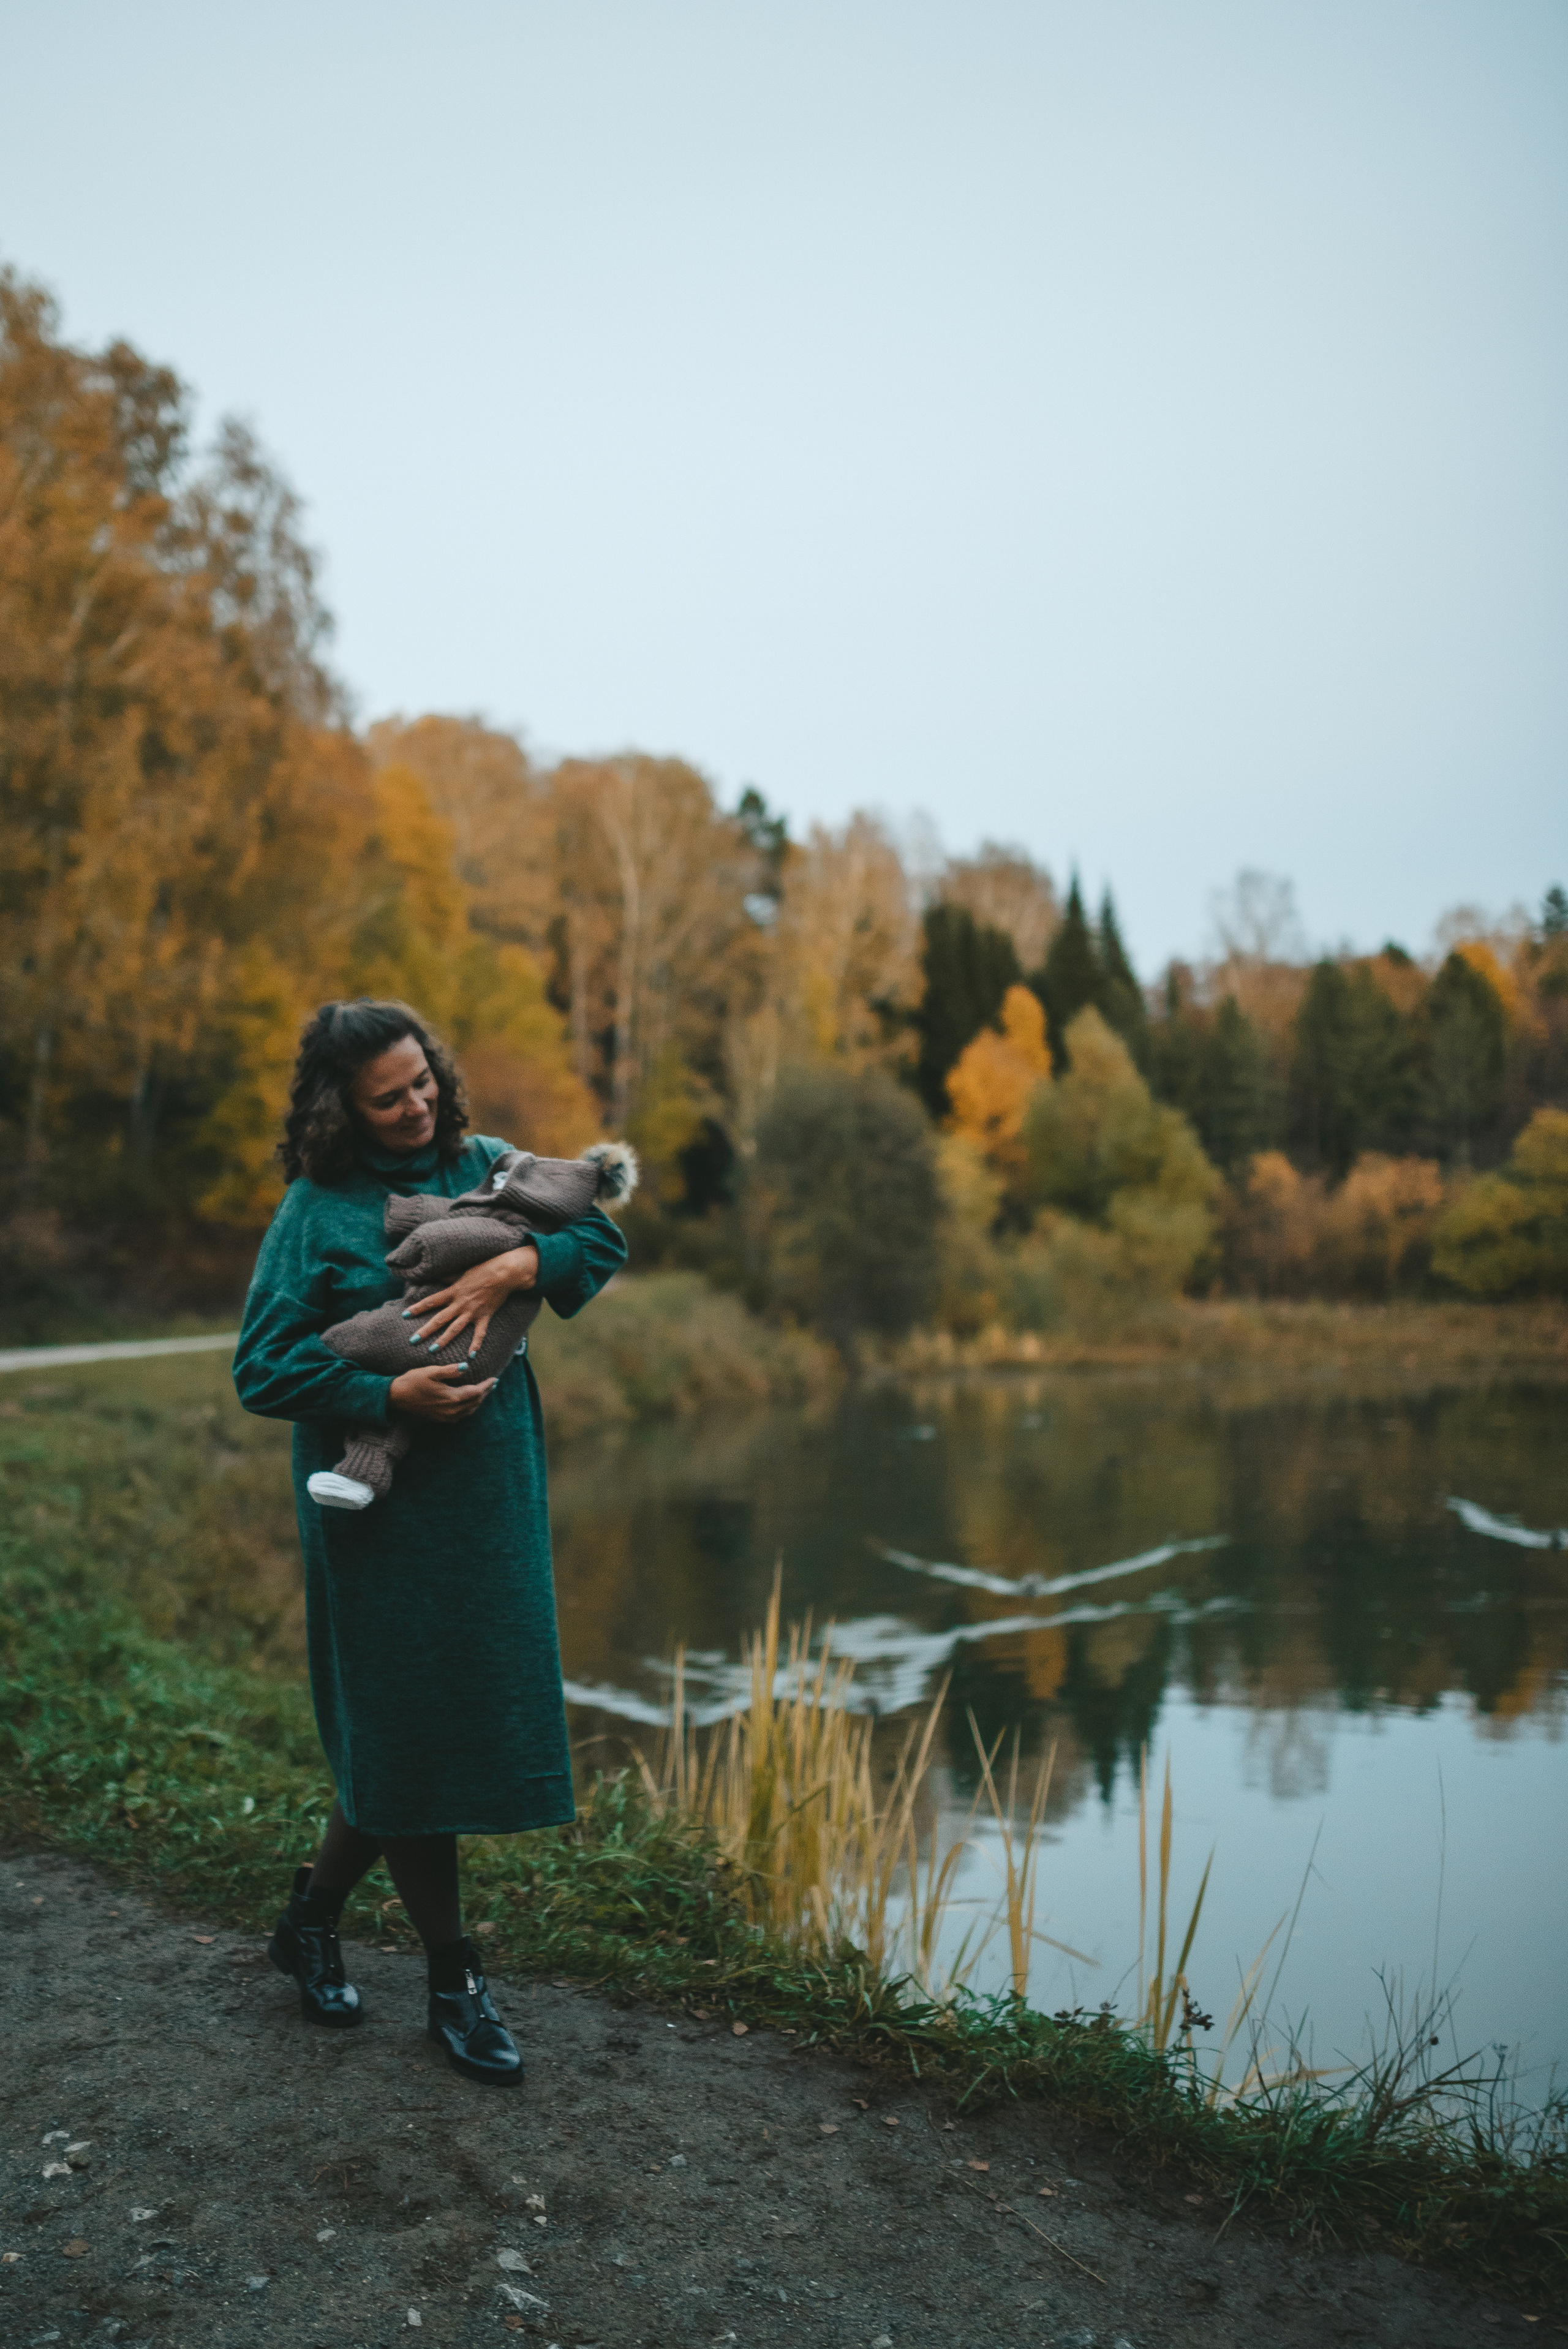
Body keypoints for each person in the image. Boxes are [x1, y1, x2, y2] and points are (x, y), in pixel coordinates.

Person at [232, 998, 627, 2086]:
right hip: (376, 1510)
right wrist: (382, 1383)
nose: (418, 1106)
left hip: (488, 1496)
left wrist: (520, 1270)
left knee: (420, 1725)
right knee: (403, 1725)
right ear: (339, 1110)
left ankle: (310, 1923)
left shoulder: (493, 1160)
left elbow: (600, 1232)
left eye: (423, 1081)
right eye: (388, 1097)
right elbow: (261, 1369)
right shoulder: (314, 1212)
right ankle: (455, 1981)